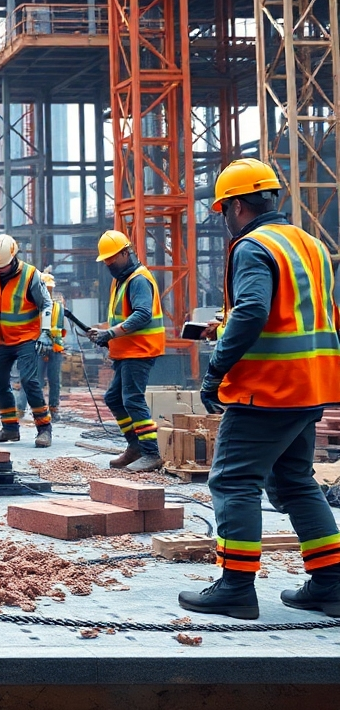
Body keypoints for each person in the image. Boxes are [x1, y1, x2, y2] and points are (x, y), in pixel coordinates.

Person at [178, 159, 340, 620]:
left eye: (223, 209)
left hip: (267, 388)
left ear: (238, 204)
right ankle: (331, 585)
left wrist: (216, 371)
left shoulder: (251, 246)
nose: (224, 218)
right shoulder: (307, 244)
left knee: (232, 480)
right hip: (311, 386)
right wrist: (225, 328)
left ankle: (235, 586)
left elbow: (253, 310)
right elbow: (305, 312)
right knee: (293, 481)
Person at [89, 229, 165, 472]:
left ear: (125, 252)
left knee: (132, 398)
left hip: (140, 350)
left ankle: (151, 453)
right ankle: (135, 447)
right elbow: (121, 317)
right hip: (126, 351)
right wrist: (104, 332)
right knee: (113, 397)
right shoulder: (121, 280)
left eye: (112, 258)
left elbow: (142, 315)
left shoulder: (138, 279)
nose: (109, 264)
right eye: (106, 261)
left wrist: (110, 334)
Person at [0, 234, 54, 447]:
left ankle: (44, 428)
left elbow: (47, 304)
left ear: (14, 257)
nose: (1, 270)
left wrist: (45, 332)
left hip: (26, 337)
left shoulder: (30, 275)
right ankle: (10, 429)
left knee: (29, 381)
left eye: (4, 266)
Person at [16, 272, 64, 420]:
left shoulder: (58, 307)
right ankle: (21, 409)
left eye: (50, 289)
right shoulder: (33, 307)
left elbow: (61, 329)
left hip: (55, 349)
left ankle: (53, 409)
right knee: (32, 379)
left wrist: (56, 343)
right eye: (46, 288)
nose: (48, 292)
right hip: (37, 349)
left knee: (54, 380)